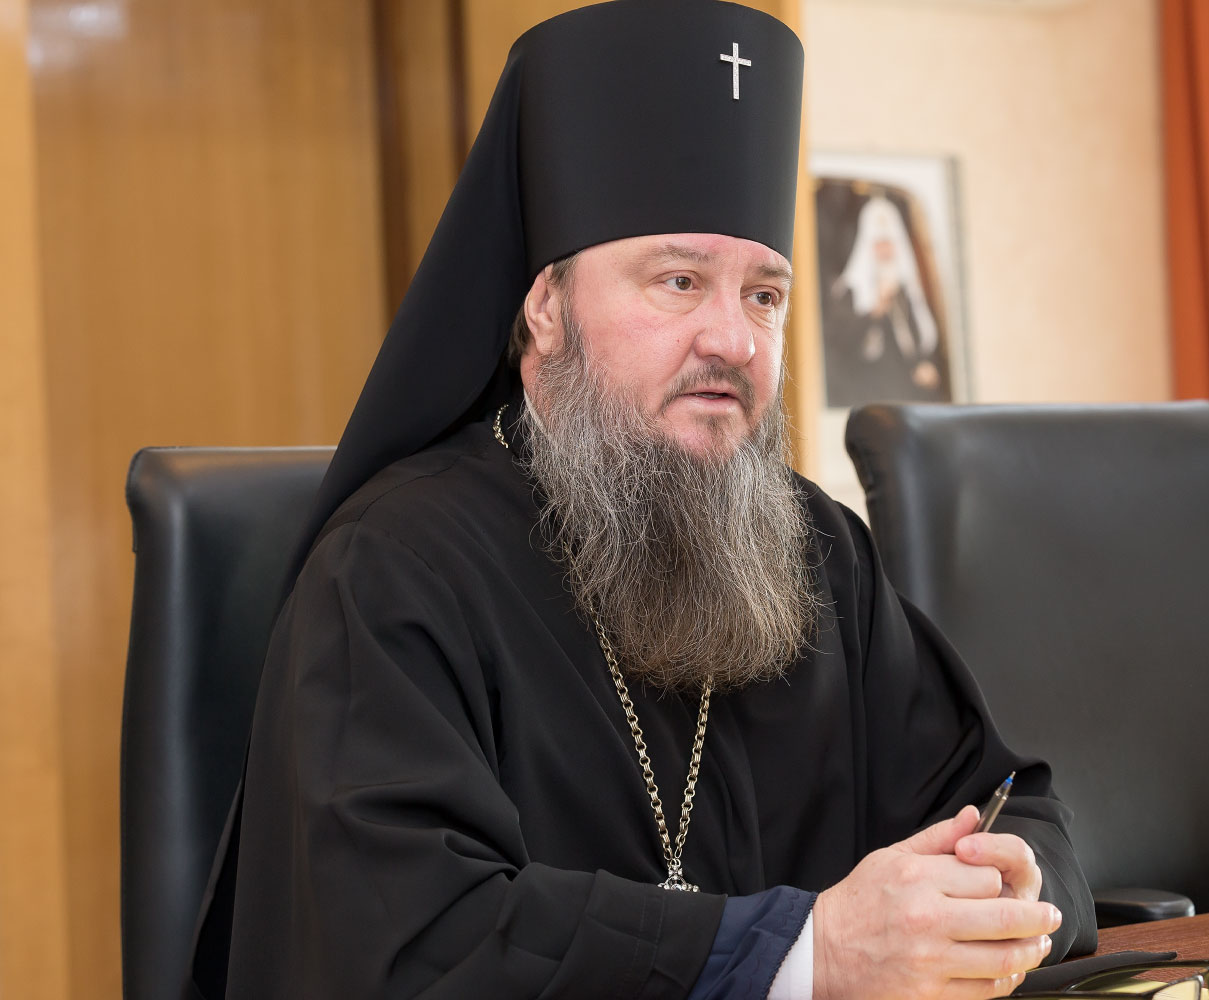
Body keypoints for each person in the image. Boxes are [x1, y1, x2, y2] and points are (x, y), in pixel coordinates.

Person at [189, 2, 1097, 997]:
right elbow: (418, 939)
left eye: (764, 295)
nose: (734, 341)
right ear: (545, 308)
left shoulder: (817, 552)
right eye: (679, 282)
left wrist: (1008, 887)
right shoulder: (392, 569)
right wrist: (808, 953)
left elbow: (1011, 802)